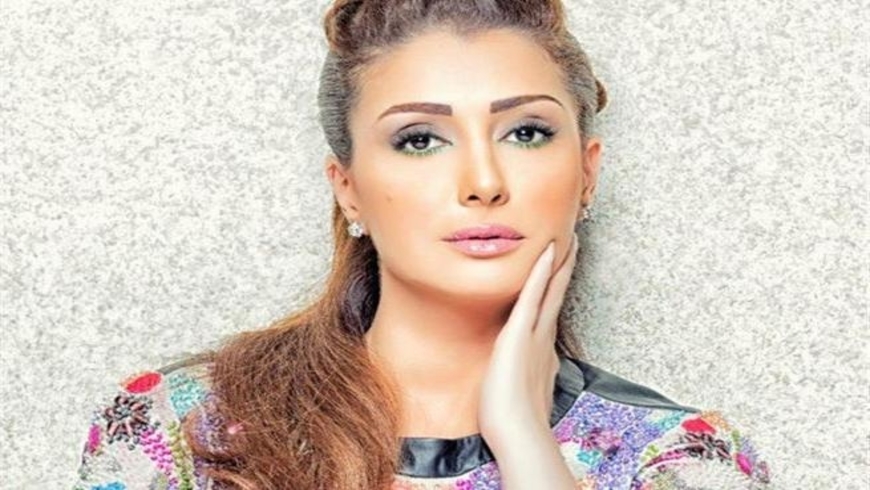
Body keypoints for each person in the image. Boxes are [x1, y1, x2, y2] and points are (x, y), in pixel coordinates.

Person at [71, 1, 772, 489]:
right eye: (419, 140)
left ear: (587, 173)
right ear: (349, 188)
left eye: (527, 132)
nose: (484, 182)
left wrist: (526, 445)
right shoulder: (186, 428)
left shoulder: (678, 460)